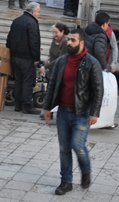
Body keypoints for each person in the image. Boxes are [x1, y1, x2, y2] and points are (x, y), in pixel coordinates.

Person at [42, 28, 104, 196]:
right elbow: (53, 85)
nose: (68, 43)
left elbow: (98, 89)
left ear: (81, 43)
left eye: (72, 40)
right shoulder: (62, 61)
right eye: (68, 40)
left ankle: (86, 170)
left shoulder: (92, 63)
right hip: (63, 111)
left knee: (77, 145)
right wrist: (47, 108)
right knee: (64, 148)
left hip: (82, 113)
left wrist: (94, 113)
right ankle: (66, 182)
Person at [6, 2, 42, 114]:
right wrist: (36, 58)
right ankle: (27, 105)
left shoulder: (17, 20)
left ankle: (18, 105)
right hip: (27, 58)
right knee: (28, 82)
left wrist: (10, 52)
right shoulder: (32, 23)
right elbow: (34, 42)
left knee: (18, 81)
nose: (38, 14)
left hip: (15, 57)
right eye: (38, 12)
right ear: (33, 11)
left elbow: (9, 39)